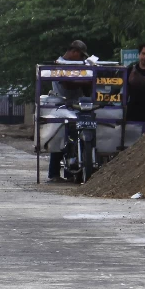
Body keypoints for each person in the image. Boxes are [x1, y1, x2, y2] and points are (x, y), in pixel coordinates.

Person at [47, 40, 90, 183]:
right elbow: (67, 83)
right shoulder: (59, 64)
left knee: (78, 136)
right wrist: (87, 81)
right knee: (60, 138)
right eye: (81, 55)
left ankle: (72, 172)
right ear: (74, 52)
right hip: (62, 106)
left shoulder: (78, 65)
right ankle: (54, 173)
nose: (82, 59)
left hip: (78, 106)